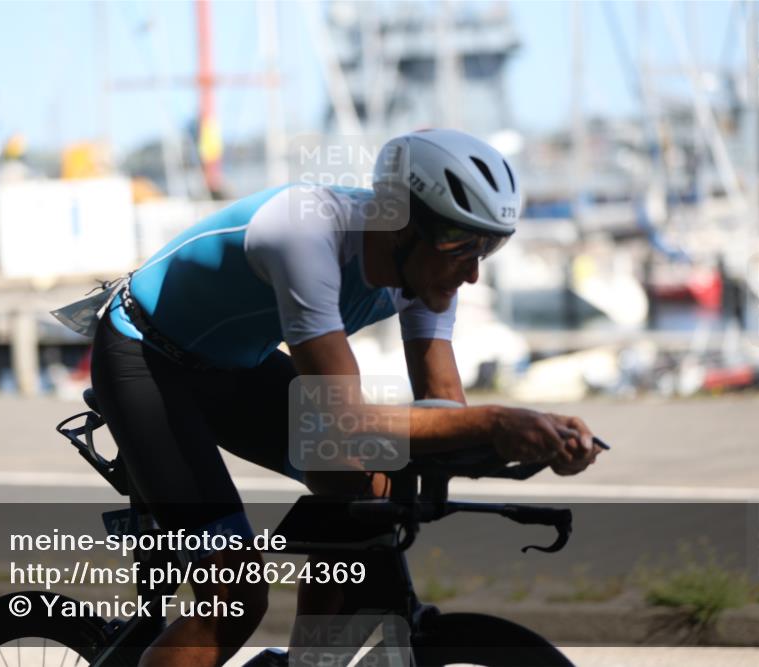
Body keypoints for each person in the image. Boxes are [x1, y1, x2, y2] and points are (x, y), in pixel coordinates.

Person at [85, 129, 602, 666]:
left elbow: (445, 412)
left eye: (488, 247)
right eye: (462, 244)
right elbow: (343, 420)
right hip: (146, 360)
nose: (473, 272)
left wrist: (540, 445)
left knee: (363, 494)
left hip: (235, 365)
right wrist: (498, 422)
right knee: (235, 598)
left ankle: (310, 663)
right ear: (400, 225)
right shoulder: (306, 235)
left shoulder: (427, 275)